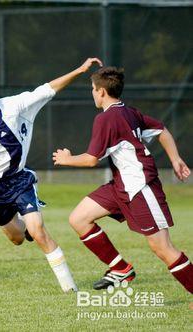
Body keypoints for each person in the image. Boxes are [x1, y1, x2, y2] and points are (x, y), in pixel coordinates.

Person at [0, 58, 102, 292]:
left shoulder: (15, 105)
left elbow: (49, 88)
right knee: (18, 238)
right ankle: (22, 223)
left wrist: (81, 70)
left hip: (20, 181)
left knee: (38, 230)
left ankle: (69, 288)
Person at [52, 66, 192, 293]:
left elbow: (90, 160)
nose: (92, 93)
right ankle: (120, 269)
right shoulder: (128, 112)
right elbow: (162, 130)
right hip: (121, 186)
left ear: (101, 92)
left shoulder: (107, 118)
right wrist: (175, 159)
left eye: (93, 89)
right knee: (79, 218)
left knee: (162, 248)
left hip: (140, 187)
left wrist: (67, 159)